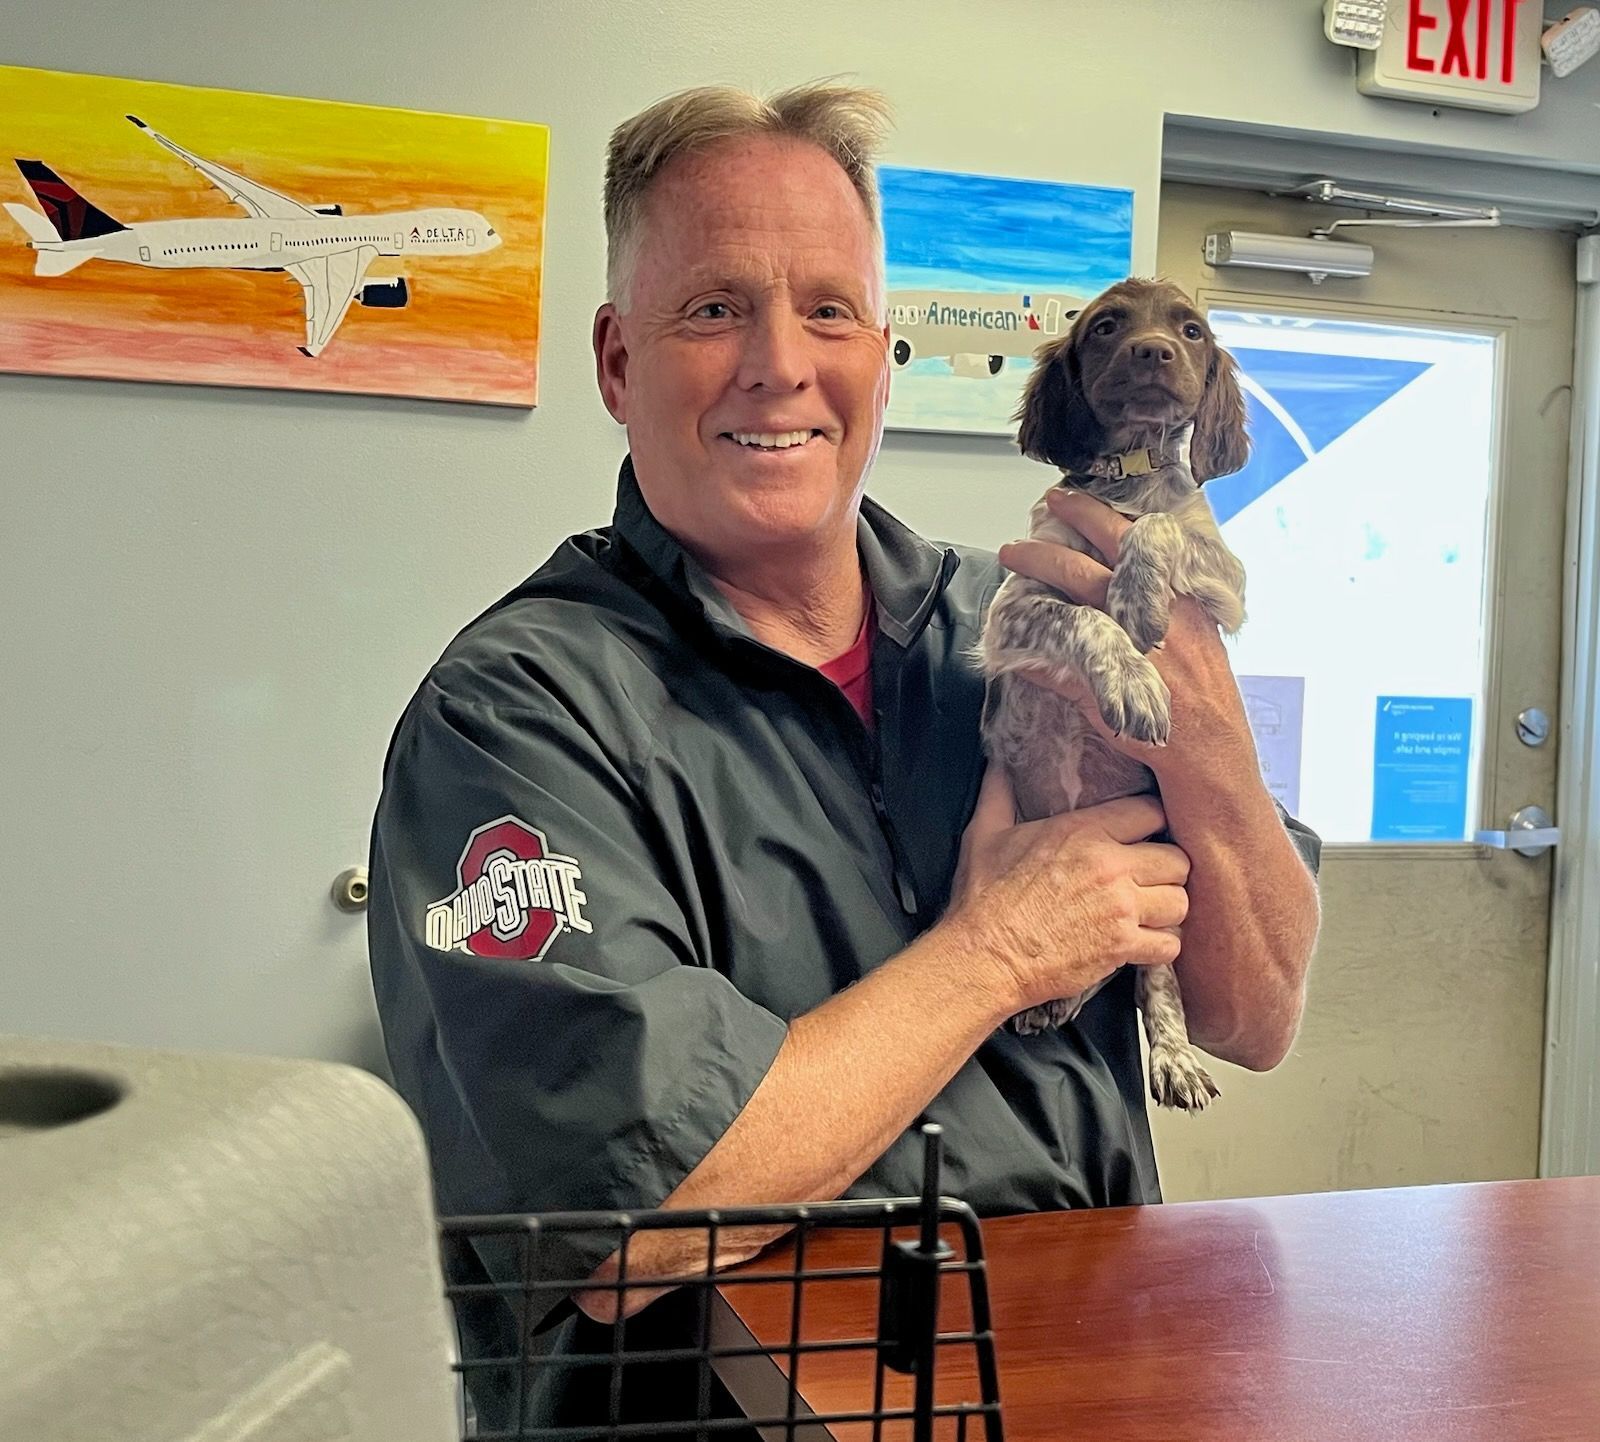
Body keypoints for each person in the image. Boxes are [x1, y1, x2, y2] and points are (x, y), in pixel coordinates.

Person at [367, 79, 1321, 1428]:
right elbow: (637, 1220)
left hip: (1084, 1378)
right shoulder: (519, 714)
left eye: (828, 309)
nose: (780, 363)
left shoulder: (1021, 620)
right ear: (619, 361)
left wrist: (1210, 748)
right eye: (712, 308)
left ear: (884, 352)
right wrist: (1005, 946)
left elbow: (1256, 1008)